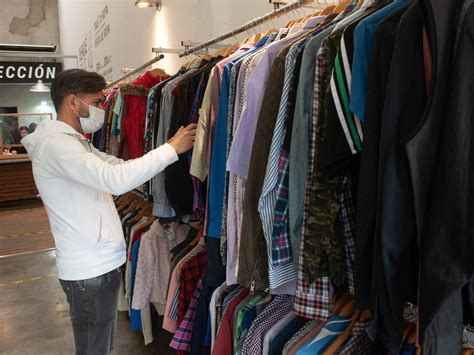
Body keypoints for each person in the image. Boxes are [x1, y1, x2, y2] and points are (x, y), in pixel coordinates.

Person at [21, 69, 197, 355]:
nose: (103, 109)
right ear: (73, 102)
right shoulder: (57, 145)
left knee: (100, 344)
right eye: (98, 101)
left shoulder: (76, 143)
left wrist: (166, 153)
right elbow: (114, 180)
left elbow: (117, 167)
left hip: (97, 263)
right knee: (95, 348)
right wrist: (170, 149)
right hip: (89, 269)